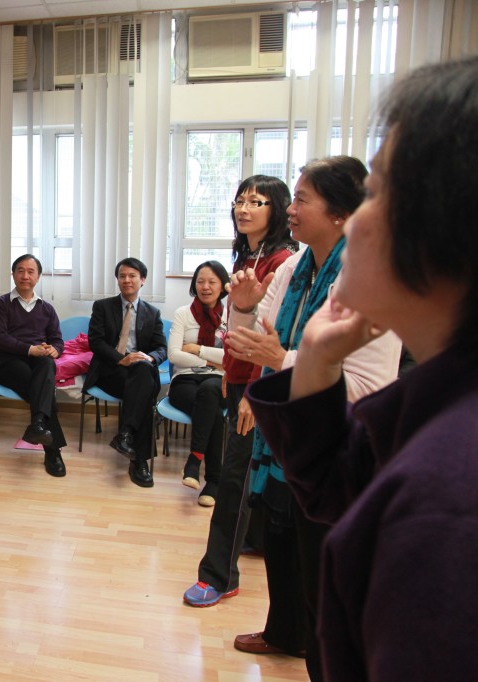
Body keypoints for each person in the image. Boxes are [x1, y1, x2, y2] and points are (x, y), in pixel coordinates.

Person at [247, 56, 478, 681]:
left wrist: (293, 358)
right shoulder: (438, 402)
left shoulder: (447, 503)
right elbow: (336, 485)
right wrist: (318, 357)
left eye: (375, 193)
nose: (357, 220)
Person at [224, 156, 401, 677]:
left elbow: (367, 387)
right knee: (282, 540)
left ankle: (324, 657)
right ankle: (285, 632)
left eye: (302, 199)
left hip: (341, 446)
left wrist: (284, 361)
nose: (291, 209)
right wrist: (244, 307)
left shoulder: (369, 276)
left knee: (325, 572)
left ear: (341, 213)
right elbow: (250, 343)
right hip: (290, 434)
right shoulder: (294, 269)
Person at [183, 175, 297, 607]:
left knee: (234, 479)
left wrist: (252, 390)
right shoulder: (249, 255)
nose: (243, 208)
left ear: (278, 209)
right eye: (239, 201)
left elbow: (273, 336)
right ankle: (252, 540)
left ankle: (218, 575)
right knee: (250, 473)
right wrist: (231, 373)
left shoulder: (282, 261)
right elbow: (238, 329)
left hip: (260, 387)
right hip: (241, 380)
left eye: (256, 201)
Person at [85, 257, 167, 487]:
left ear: (143, 280)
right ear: (117, 280)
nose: (127, 280)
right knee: (144, 390)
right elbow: (95, 342)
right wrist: (122, 359)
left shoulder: (152, 313)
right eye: (122, 276)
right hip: (110, 371)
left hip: (139, 372)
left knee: (143, 373)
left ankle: (127, 437)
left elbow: (162, 348)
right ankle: (139, 460)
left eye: (132, 276)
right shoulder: (102, 307)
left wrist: (150, 358)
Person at [0, 254, 68, 477]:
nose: (25, 276)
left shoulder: (47, 308)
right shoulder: (1, 304)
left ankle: (38, 425)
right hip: (8, 362)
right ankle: (53, 452)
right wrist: (29, 349)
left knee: (47, 364)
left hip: (38, 362)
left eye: (31, 271)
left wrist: (55, 349)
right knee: (44, 393)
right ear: (13, 274)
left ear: (38, 276)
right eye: (20, 271)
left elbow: (57, 339)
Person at [167, 260, 230, 507]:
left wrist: (197, 349)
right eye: (201, 281)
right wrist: (212, 361)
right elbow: (174, 355)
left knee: (210, 390)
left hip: (218, 382)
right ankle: (213, 481)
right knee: (212, 411)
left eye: (212, 281)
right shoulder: (183, 313)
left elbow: (233, 357)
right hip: (184, 380)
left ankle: (194, 461)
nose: (205, 287)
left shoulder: (233, 315)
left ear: (222, 285)